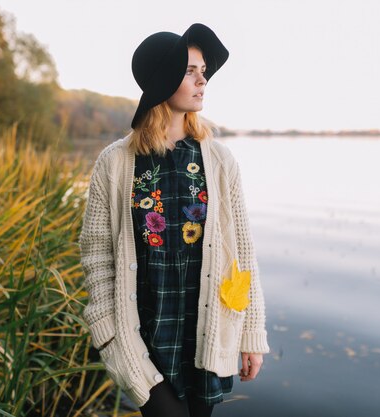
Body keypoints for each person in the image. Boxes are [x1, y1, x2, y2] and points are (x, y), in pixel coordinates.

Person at [79, 23, 270, 417]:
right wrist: (106, 331)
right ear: (163, 80)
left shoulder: (219, 162)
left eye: (203, 70)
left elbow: (243, 254)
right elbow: (96, 254)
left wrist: (252, 335)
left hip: (205, 335)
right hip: (143, 337)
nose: (203, 80)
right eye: (190, 71)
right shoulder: (115, 163)